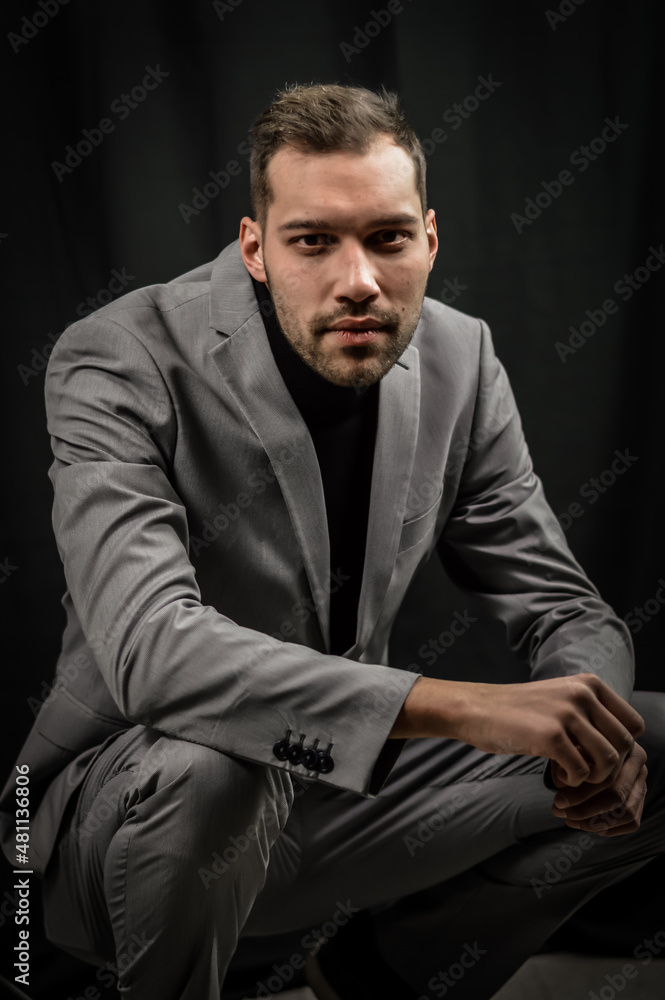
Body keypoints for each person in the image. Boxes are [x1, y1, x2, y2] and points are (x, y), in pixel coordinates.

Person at [1, 82, 663, 1000]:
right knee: (217, 768)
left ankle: (374, 978)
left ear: (429, 238)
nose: (359, 279)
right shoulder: (119, 358)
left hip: (331, 796)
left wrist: (595, 728)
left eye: (387, 238)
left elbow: (561, 605)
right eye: (313, 240)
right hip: (118, 811)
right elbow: (153, 654)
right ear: (255, 249)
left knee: (653, 737)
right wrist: (466, 706)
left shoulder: (459, 356)